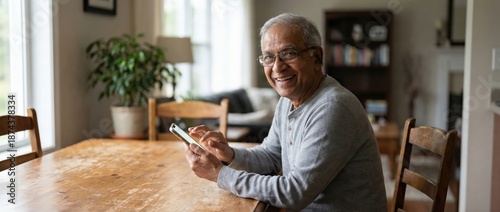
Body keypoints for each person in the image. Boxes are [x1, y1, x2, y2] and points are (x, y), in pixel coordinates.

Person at [184, 13, 387, 211]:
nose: (277, 67)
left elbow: (293, 193)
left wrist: (220, 175)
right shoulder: (287, 100)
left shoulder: (333, 107)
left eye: (289, 54)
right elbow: (271, 155)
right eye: (268, 57)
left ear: (317, 56)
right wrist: (229, 154)